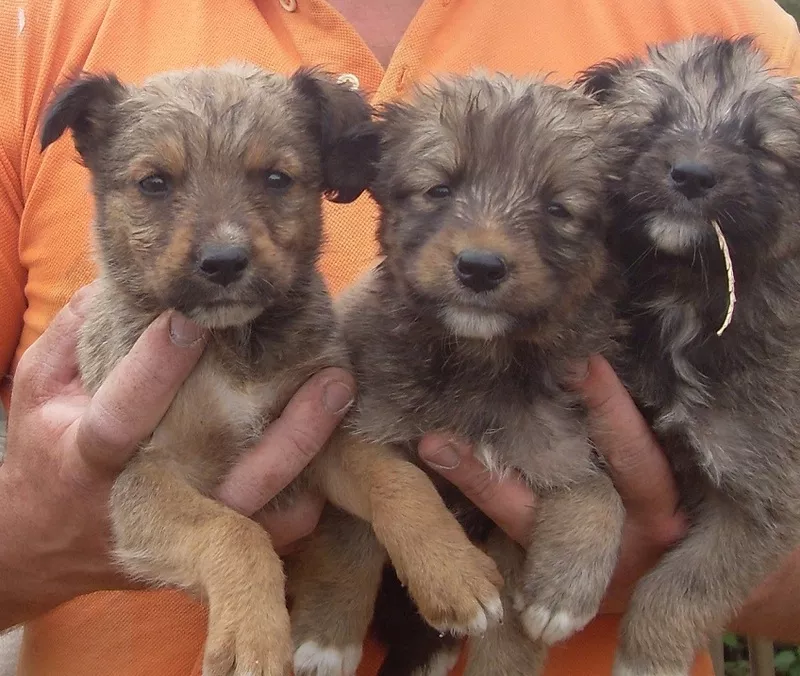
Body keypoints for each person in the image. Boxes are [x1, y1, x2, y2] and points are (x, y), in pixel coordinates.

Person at [1, 0, 799, 674]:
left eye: (278, 178)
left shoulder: (719, 38)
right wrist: (34, 533)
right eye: (153, 185)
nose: (225, 243)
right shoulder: (38, 27)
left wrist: (668, 558)